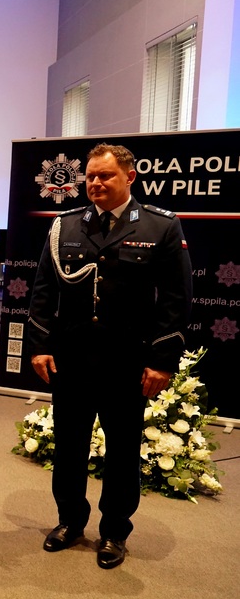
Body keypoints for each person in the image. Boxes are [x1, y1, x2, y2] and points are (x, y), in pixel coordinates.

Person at [27, 143, 192, 569]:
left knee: (122, 450)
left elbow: (175, 300)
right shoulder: (65, 225)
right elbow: (43, 290)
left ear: (129, 177)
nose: (96, 183)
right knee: (69, 447)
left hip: (127, 362)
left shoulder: (161, 225)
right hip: (72, 359)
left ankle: (115, 531)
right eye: (90, 176)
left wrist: (162, 360)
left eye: (106, 176)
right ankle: (70, 520)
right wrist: (40, 346)